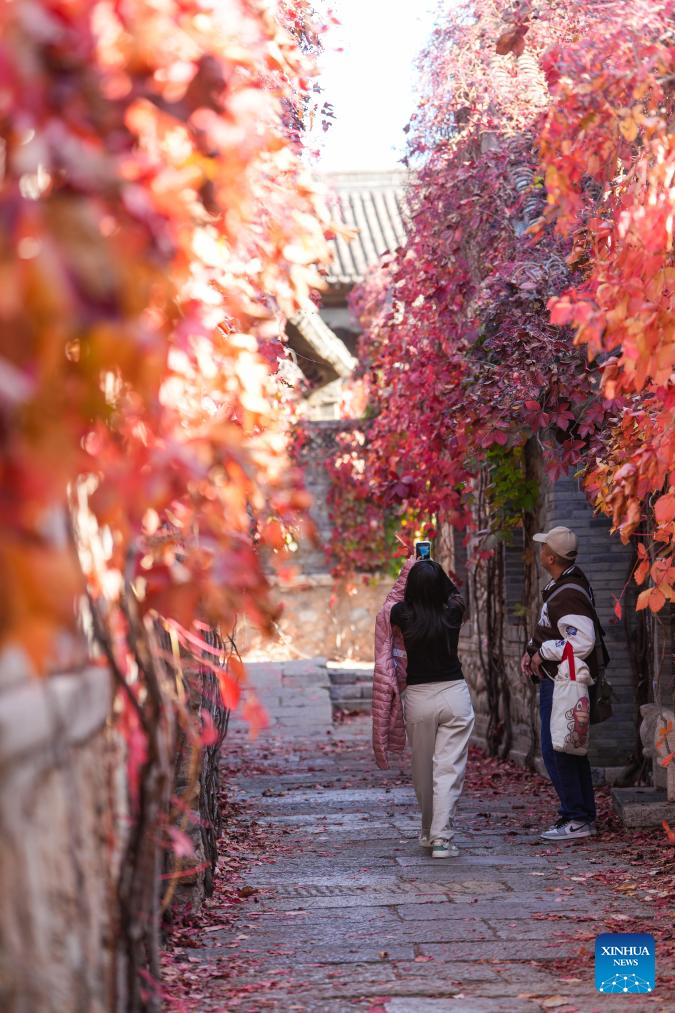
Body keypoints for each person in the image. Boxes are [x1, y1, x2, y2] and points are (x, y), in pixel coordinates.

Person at [372, 553, 474, 859]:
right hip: (454, 694)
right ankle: (440, 837)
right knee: (449, 769)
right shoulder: (454, 612)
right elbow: (454, 592)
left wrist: (410, 569)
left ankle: (431, 832)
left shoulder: (402, 614)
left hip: (418, 698)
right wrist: (434, 569)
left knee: (422, 770)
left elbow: (390, 599)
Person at [521, 525, 599, 841]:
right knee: (568, 745)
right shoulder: (564, 585)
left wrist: (543, 652)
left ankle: (577, 818)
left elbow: (583, 640)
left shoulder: (567, 592)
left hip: (563, 680)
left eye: (543, 548)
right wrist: (532, 649)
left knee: (560, 748)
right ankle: (579, 815)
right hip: (559, 677)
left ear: (551, 556)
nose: (539, 552)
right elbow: (553, 628)